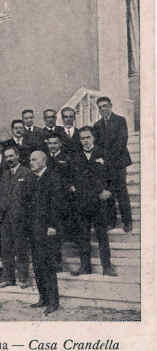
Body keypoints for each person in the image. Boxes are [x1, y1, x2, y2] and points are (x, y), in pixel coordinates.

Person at [70, 126, 117, 277]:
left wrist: (109, 191)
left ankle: (107, 266)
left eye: (87, 137)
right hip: (82, 202)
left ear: (93, 138)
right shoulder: (75, 156)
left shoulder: (104, 154)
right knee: (83, 236)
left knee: (102, 235)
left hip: (99, 203)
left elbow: (114, 177)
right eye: (82, 138)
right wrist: (71, 186)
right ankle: (85, 266)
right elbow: (68, 176)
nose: (85, 141)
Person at [93, 96, 133, 232]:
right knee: (109, 192)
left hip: (119, 163)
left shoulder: (120, 121)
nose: (102, 109)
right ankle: (112, 221)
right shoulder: (97, 125)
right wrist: (101, 159)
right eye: (100, 107)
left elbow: (121, 142)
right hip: (105, 165)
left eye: (105, 106)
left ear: (110, 105)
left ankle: (127, 222)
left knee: (122, 192)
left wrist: (108, 159)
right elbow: (97, 145)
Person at [0, 146, 33, 288]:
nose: (9, 159)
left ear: (17, 156)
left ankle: (23, 278)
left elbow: (30, 199)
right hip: (5, 219)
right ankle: (8, 278)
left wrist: (27, 218)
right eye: (7, 157)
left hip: (20, 219)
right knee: (6, 249)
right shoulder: (5, 175)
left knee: (20, 248)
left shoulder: (26, 173)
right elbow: (1, 198)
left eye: (11, 156)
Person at [28, 151, 61, 315]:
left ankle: (54, 302)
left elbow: (57, 204)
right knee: (37, 265)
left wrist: (53, 225)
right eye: (30, 160)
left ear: (43, 161)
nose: (31, 162)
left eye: (34, 160)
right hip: (34, 229)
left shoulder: (52, 177)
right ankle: (43, 298)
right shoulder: (33, 179)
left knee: (48, 265)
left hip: (48, 229)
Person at [45, 133, 73, 271]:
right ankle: (56, 262)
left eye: (55, 143)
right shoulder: (45, 159)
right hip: (49, 198)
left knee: (62, 229)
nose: (52, 146)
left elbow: (72, 176)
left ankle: (67, 261)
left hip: (65, 199)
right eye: (50, 143)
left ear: (60, 144)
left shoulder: (67, 158)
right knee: (52, 230)